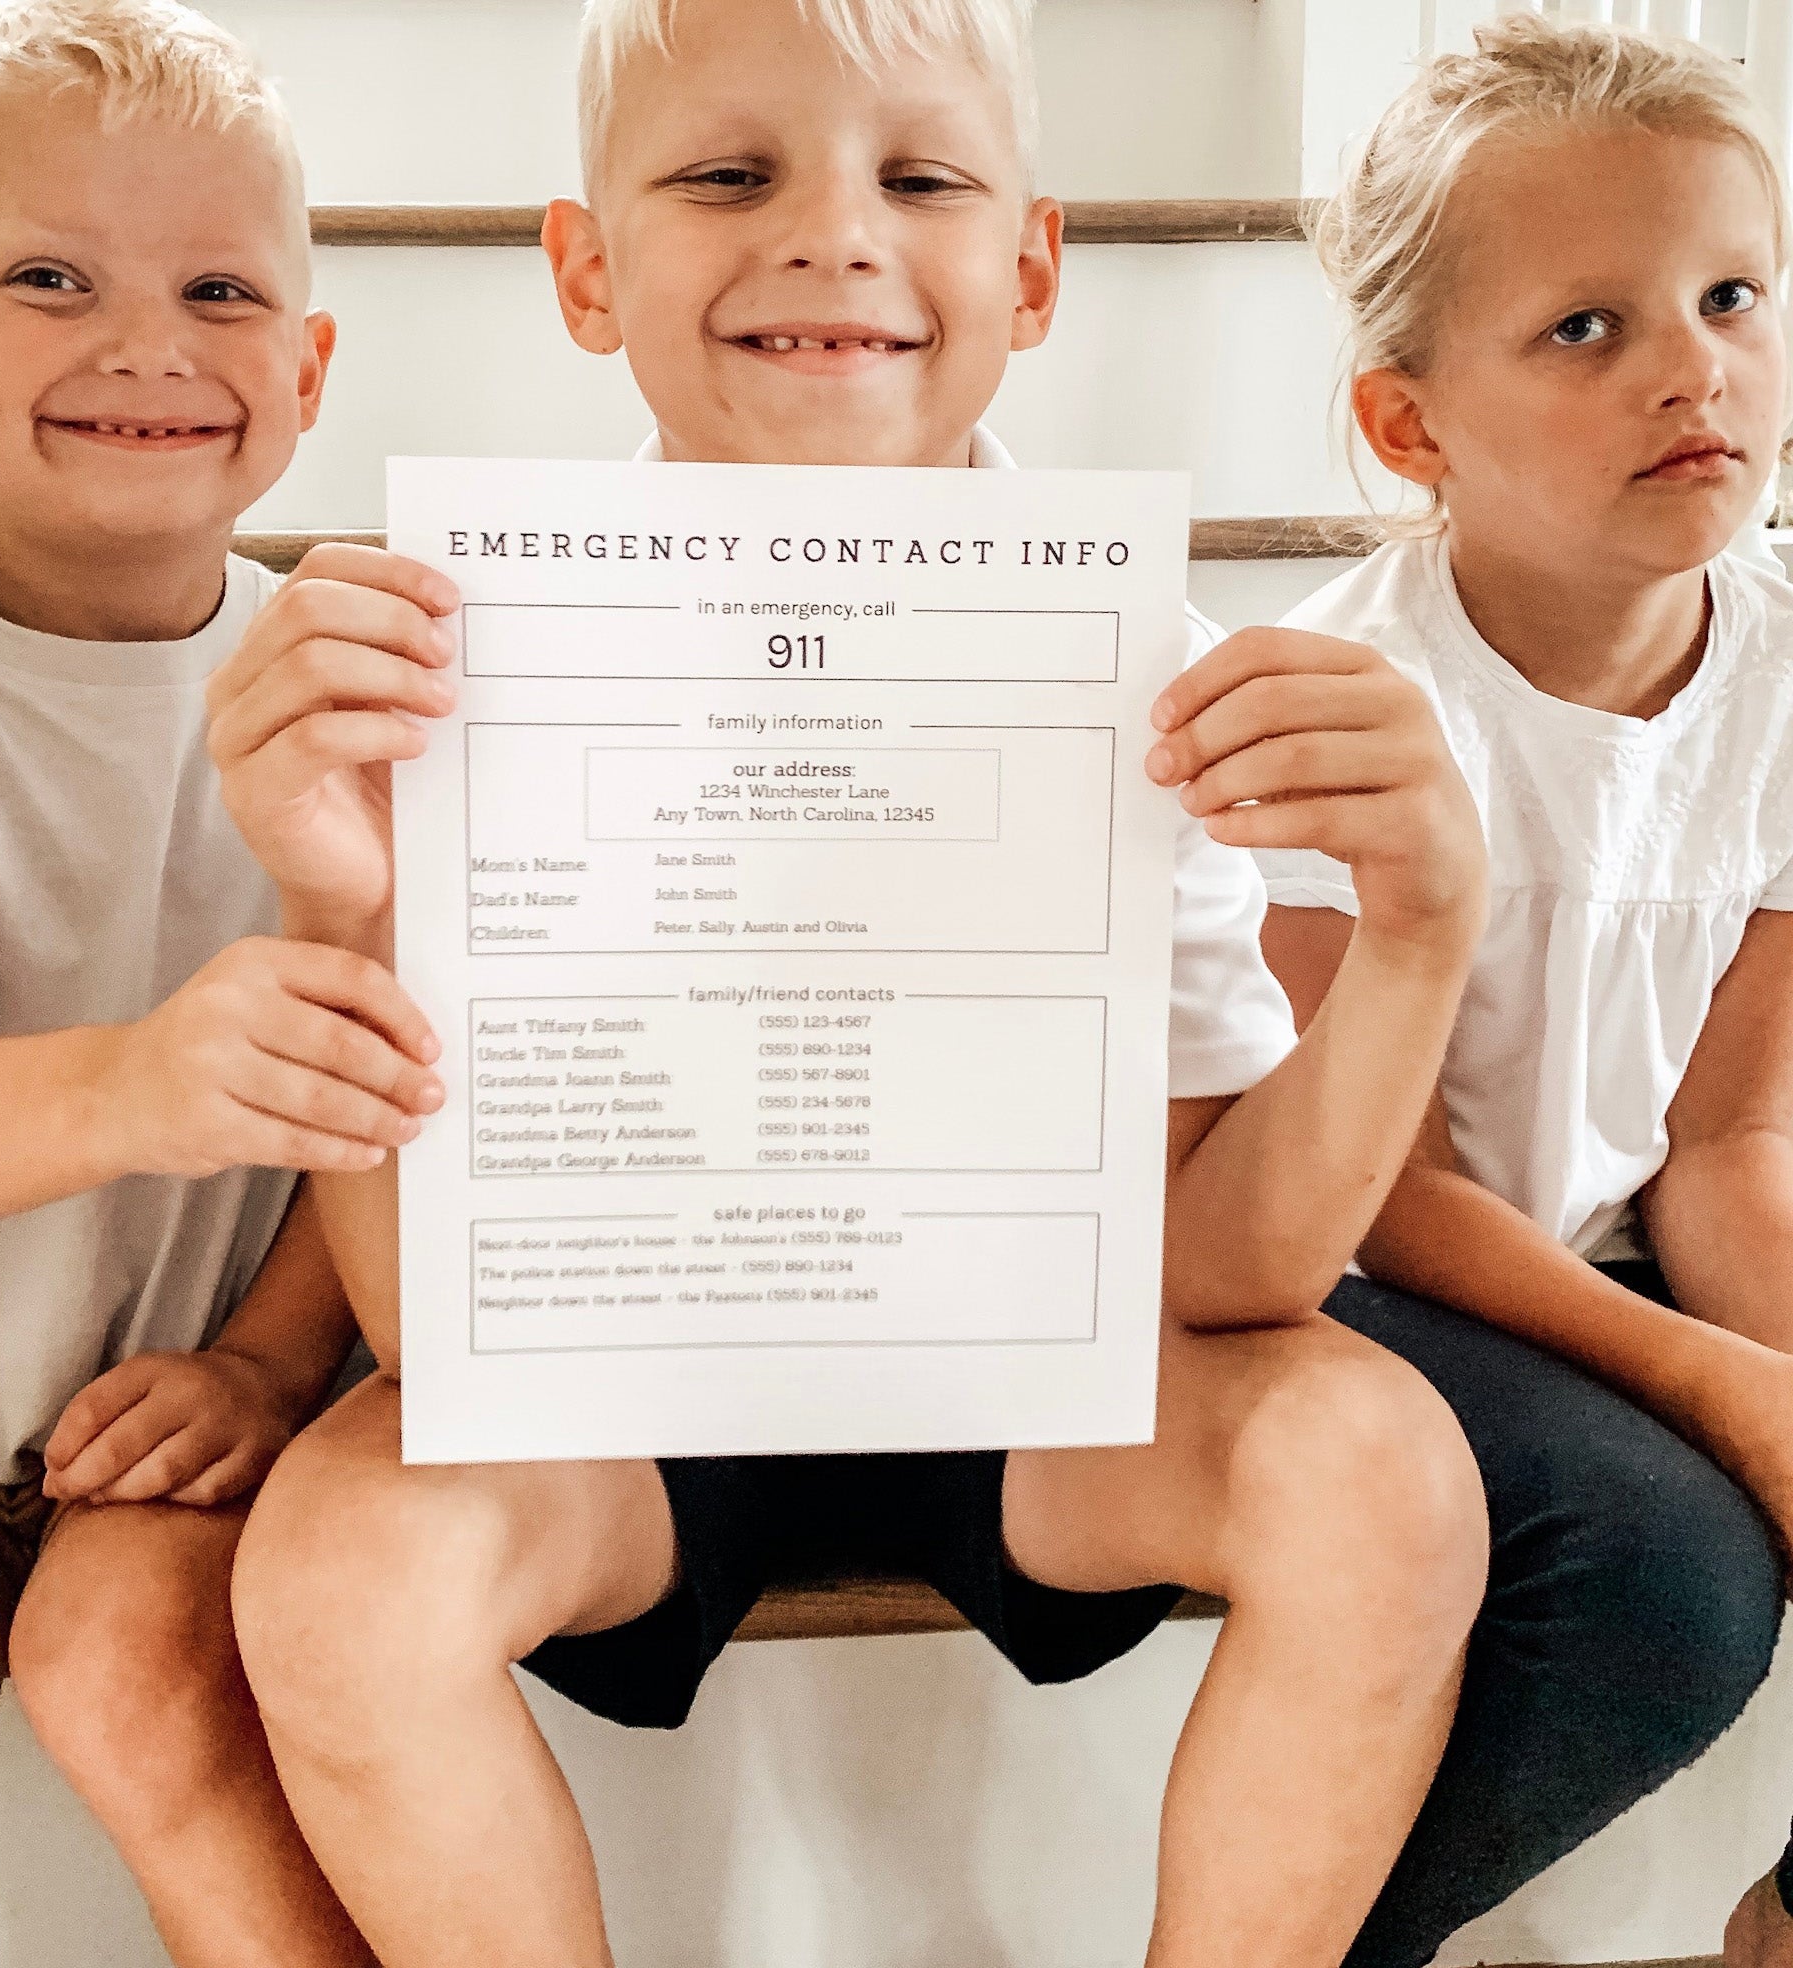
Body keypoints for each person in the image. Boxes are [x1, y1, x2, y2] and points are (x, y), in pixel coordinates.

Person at [214, 3, 1778, 1962]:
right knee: (342, 1570)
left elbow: (1235, 1280)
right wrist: (330, 901)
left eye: (925, 179)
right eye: (727, 173)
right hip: (616, 1390)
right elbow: (434, 1338)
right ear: (587, 270)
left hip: (1041, 1381)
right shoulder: (447, 667)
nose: (838, 235)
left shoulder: (1161, 673)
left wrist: (1413, 938)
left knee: (1373, 1465)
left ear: (1032, 270)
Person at [0, 4, 443, 1961]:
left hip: (249, 1371)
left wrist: (265, 1362)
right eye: (47, 279)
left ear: (308, 364)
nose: (149, 343)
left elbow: (412, 1073)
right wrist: (137, 1086)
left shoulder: (374, 683)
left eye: (218, 288)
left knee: (140, 1685)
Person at [1251, 16, 1793, 1965]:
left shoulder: (1786, 672)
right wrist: (1719, 1386)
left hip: (1629, 1250)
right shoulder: (1335, 706)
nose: (1695, 366)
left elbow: (1730, 1140)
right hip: (1379, 1280)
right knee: (1679, 1591)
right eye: (1589, 327)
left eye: (1733, 294)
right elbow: (1372, 1197)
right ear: (1410, 425)